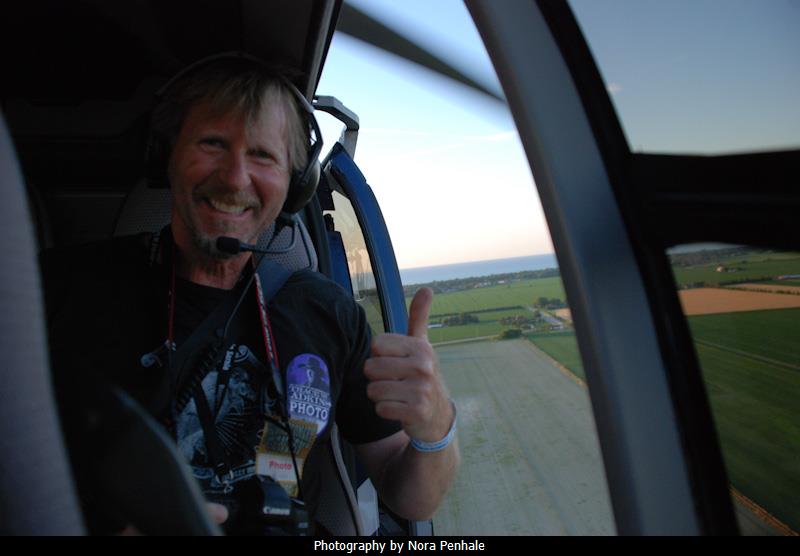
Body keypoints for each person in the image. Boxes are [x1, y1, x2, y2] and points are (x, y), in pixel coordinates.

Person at [42, 56, 458, 535]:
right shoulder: (58, 290)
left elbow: (411, 498)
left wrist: (435, 425)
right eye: (212, 143)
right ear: (166, 157)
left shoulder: (328, 313)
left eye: (263, 156)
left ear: (294, 185)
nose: (235, 177)